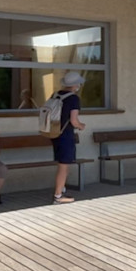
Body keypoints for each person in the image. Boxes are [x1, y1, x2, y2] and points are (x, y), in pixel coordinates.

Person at [51, 71, 87, 204]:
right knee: (64, 165)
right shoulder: (73, 99)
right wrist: (81, 126)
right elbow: (74, 120)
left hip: (54, 133)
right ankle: (58, 196)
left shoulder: (55, 95)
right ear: (75, 85)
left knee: (62, 163)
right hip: (65, 135)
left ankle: (62, 189)